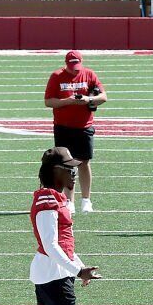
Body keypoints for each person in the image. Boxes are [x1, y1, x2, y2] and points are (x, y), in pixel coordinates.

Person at [28, 147, 100, 305]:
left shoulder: (52, 197)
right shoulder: (48, 199)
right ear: (54, 171)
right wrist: (77, 270)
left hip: (50, 271)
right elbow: (50, 244)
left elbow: (63, 243)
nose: (74, 172)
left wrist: (80, 267)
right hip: (54, 273)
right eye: (68, 168)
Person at [43, 50, 105, 212]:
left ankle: (86, 200)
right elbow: (48, 102)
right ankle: (69, 201)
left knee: (84, 162)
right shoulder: (56, 76)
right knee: (66, 164)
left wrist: (89, 99)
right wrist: (68, 101)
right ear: (66, 64)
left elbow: (103, 97)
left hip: (84, 127)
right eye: (72, 66)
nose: (75, 69)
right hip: (63, 127)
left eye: (77, 66)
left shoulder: (89, 74)